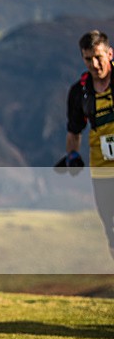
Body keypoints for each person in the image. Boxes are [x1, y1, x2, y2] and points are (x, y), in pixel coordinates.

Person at [62, 30, 114, 260]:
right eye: (88, 59)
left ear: (110, 54)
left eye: (98, 57)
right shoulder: (79, 93)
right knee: (111, 228)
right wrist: (72, 156)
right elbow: (74, 131)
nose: (94, 64)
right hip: (102, 169)